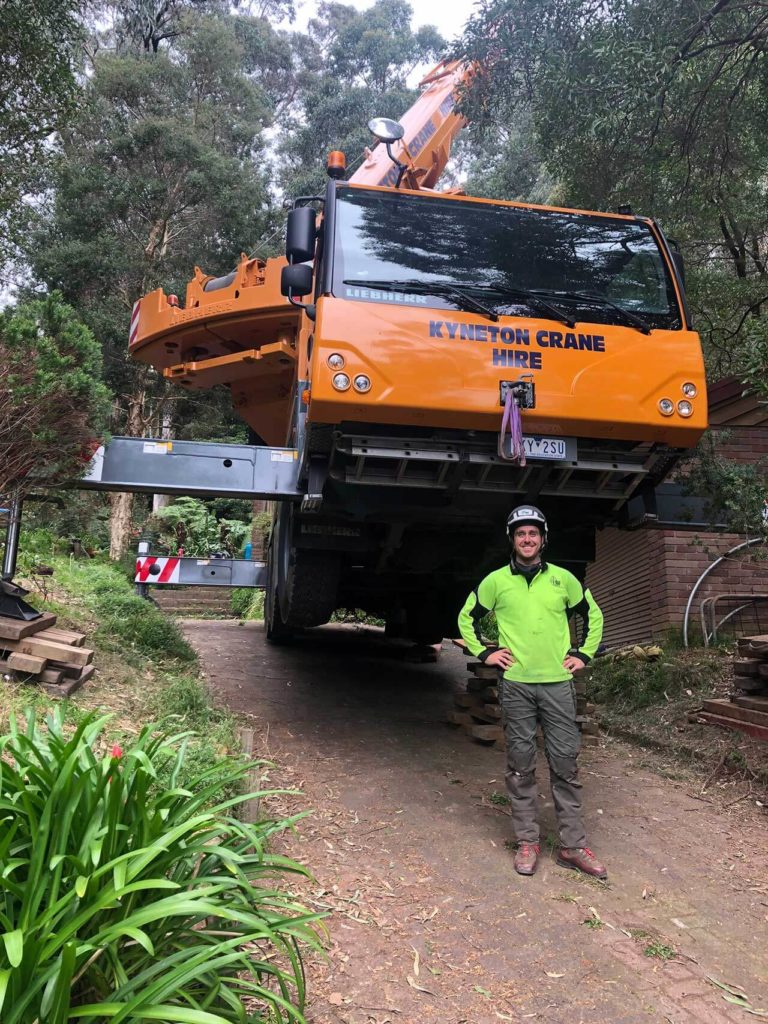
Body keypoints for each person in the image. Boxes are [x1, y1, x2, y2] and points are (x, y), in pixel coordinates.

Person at [458, 505, 606, 878]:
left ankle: (572, 846)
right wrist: (487, 653)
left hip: (557, 685)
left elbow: (593, 615)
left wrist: (583, 654)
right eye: (521, 534)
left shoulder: (564, 579)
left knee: (565, 764)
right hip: (518, 686)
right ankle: (527, 841)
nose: (527, 539)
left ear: (543, 539)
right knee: (521, 765)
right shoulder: (495, 582)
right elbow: (466, 617)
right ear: (512, 539)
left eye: (533, 533)